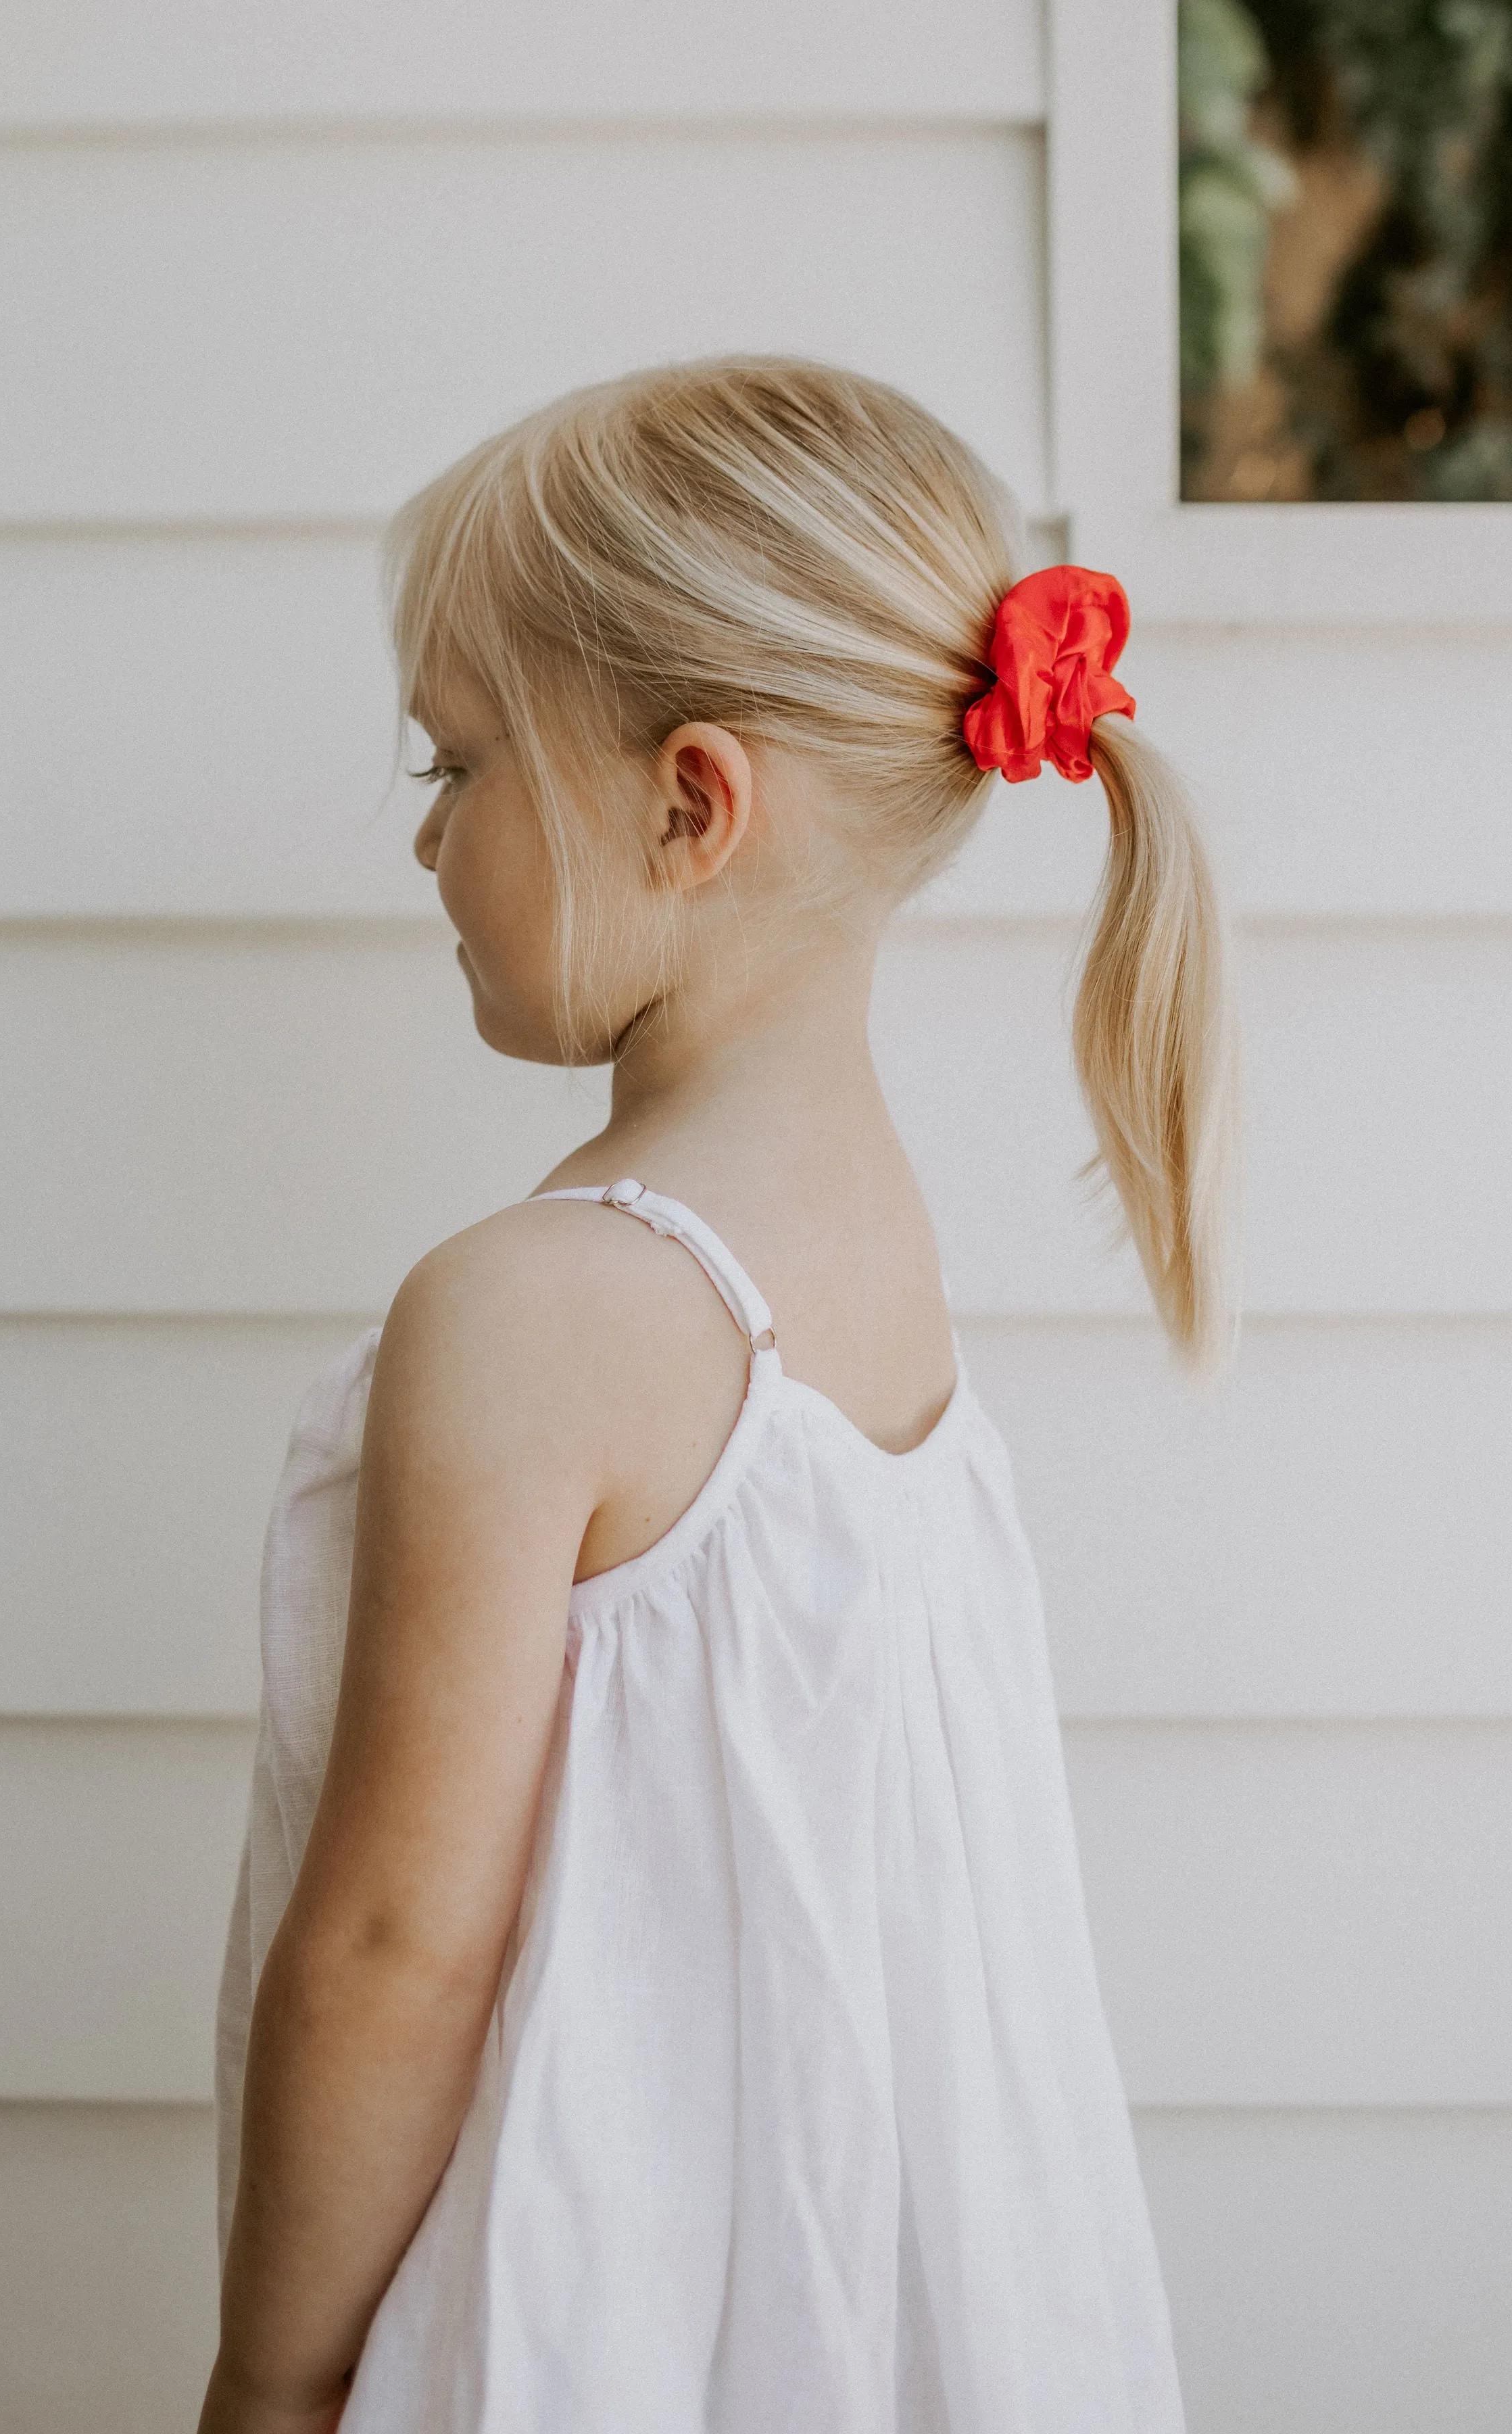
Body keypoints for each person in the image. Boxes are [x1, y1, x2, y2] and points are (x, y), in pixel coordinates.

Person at [200, 356, 1235, 2434]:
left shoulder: (534, 1311)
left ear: (690, 802)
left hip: (613, 2324)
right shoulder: (870, 1251)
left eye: (456, 763)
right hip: (885, 2310)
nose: (426, 842)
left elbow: (396, 1948)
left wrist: (272, 2377)